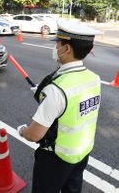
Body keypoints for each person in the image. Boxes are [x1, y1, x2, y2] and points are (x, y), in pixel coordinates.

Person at [17, 19, 102, 193]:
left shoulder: (57, 90)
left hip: (56, 158)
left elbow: (34, 135)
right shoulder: (94, 78)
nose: (56, 49)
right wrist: (46, 98)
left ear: (66, 49)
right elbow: (74, 108)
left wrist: (22, 130)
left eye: (58, 44)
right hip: (82, 151)